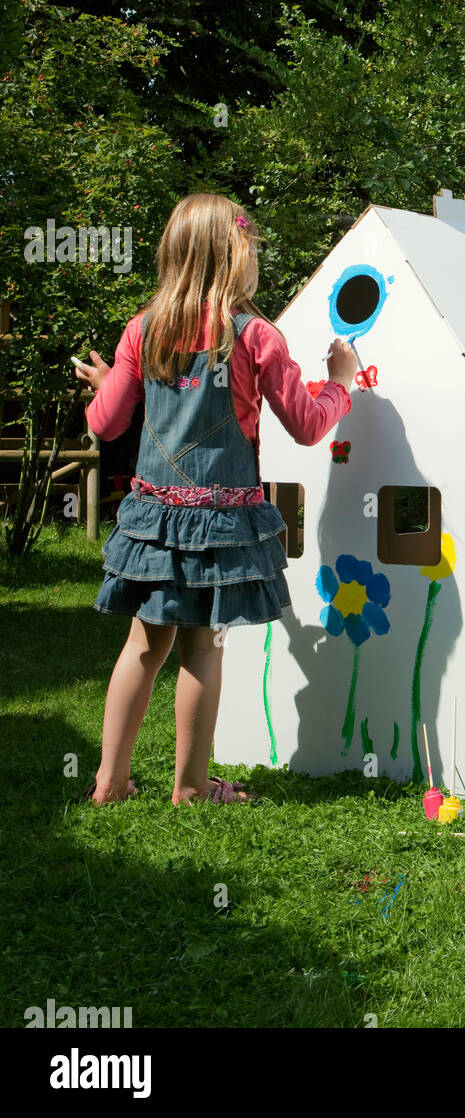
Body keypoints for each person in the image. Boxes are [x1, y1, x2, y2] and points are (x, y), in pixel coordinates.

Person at [75, 194, 358, 805]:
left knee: (142, 645)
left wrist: (106, 384)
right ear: (234, 256)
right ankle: (192, 788)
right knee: (203, 645)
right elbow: (308, 425)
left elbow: (105, 424)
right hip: (220, 524)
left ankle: (108, 781)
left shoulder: (142, 329)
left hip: (153, 520)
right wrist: (340, 385)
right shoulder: (255, 336)